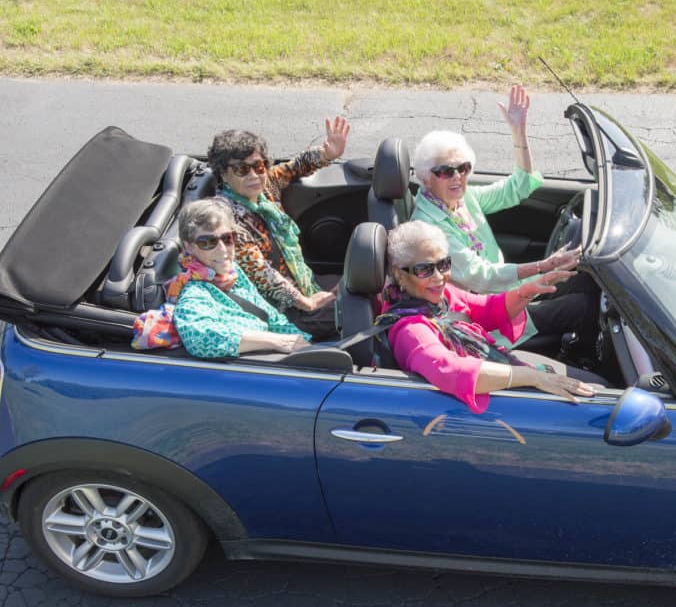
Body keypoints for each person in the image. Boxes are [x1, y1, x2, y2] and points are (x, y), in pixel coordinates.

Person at [410, 85, 601, 361]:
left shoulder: (465, 199)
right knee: (582, 306)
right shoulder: (430, 230)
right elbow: (482, 277)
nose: (456, 177)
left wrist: (518, 130)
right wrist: (545, 267)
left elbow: (518, 187)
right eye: (445, 171)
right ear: (427, 178)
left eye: (463, 168)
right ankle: (587, 363)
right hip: (488, 314)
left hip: (508, 292)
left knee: (585, 279)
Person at [381, 221, 605, 414]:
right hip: (488, 403)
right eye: (424, 269)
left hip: (499, 367)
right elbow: (450, 370)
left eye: (443, 264)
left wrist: (531, 289)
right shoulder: (411, 329)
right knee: (601, 397)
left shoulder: (438, 296)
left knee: (599, 386)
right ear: (400, 273)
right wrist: (533, 377)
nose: (439, 277)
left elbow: (486, 309)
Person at [208, 117, 350, 340]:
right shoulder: (226, 219)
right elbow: (261, 273)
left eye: (258, 166)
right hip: (280, 308)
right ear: (224, 174)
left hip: (303, 283)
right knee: (354, 314)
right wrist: (306, 303)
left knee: (358, 289)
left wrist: (327, 154)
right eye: (242, 170)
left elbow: (296, 166)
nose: (254, 175)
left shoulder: (265, 186)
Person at [132, 199, 310, 358]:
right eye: (208, 242)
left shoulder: (232, 272)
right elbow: (199, 338)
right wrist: (276, 341)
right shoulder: (193, 291)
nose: (223, 249)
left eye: (227, 238)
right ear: (189, 247)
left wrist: (307, 344)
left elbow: (270, 316)